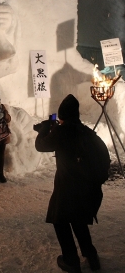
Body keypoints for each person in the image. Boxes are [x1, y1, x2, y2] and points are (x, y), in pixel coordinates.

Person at [35, 94, 104, 273]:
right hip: (86, 187)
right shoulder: (84, 130)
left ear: (62, 115)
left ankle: (71, 260)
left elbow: (40, 146)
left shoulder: (62, 131)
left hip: (68, 186)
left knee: (60, 219)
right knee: (78, 219)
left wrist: (44, 129)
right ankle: (91, 256)